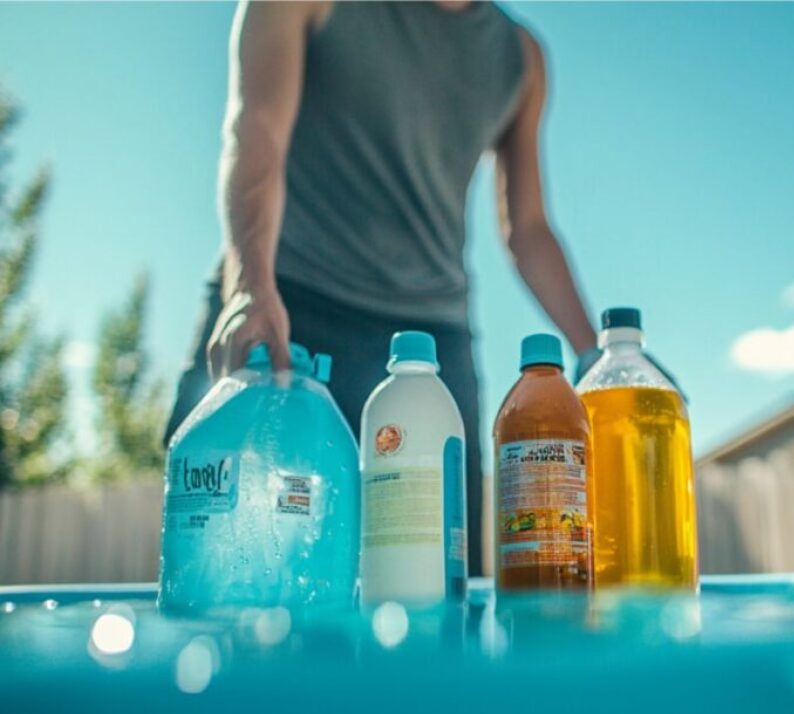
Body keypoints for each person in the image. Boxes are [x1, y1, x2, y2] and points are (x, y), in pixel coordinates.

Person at [165, 1, 598, 577]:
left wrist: (598, 358)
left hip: (429, 349)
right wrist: (248, 284)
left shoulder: (520, 58)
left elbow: (528, 228)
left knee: (439, 586)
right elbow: (257, 126)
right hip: (284, 308)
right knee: (233, 564)